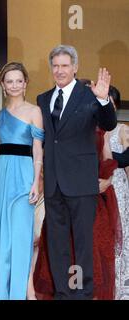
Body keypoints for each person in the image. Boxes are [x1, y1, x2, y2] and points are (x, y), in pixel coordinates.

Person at [37, 44, 117, 300]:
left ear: (75, 67)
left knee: (83, 244)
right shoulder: (42, 98)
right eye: (55, 66)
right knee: (57, 244)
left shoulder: (89, 95)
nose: (59, 70)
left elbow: (108, 123)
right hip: (53, 183)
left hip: (81, 183)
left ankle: (82, 293)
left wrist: (104, 100)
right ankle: (63, 292)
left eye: (65, 65)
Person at [34, 127, 120, 300]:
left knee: (93, 263)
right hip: (63, 204)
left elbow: (108, 158)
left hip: (92, 204)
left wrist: (107, 179)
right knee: (66, 258)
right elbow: (45, 157)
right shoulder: (59, 123)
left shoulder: (101, 127)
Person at [0, 62, 44, 300]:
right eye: (10, 81)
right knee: (0, 238)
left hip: (23, 176)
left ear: (25, 83)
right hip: (0, 177)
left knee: (20, 239)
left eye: (19, 81)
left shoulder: (34, 112)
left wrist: (35, 181)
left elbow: (38, 151)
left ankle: (20, 293)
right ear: (3, 85)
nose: (15, 85)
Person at [106, 86, 129, 299]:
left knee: (119, 233)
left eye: (111, 103)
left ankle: (119, 289)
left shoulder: (122, 130)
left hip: (119, 187)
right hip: (97, 188)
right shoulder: (92, 129)